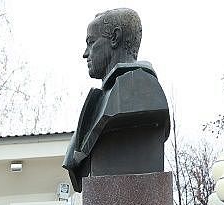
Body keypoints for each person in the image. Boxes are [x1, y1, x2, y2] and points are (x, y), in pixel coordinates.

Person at [63, 8, 169, 192]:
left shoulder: (140, 89)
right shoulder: (104, 97)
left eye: (91, 42)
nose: (85, 53)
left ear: (115, 37)